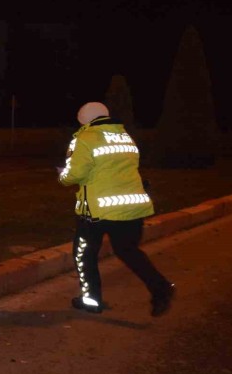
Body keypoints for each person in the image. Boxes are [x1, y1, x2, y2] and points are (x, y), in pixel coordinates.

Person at [58, 102, 175, 316]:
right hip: (130, 207)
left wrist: (62, 175)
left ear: (84, 120)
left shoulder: (85, 138)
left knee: (84, 254)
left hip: (96, 211)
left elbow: (75, 174)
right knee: (128, 251)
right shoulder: (125, 136)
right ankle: (161, 288)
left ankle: (91, 300)